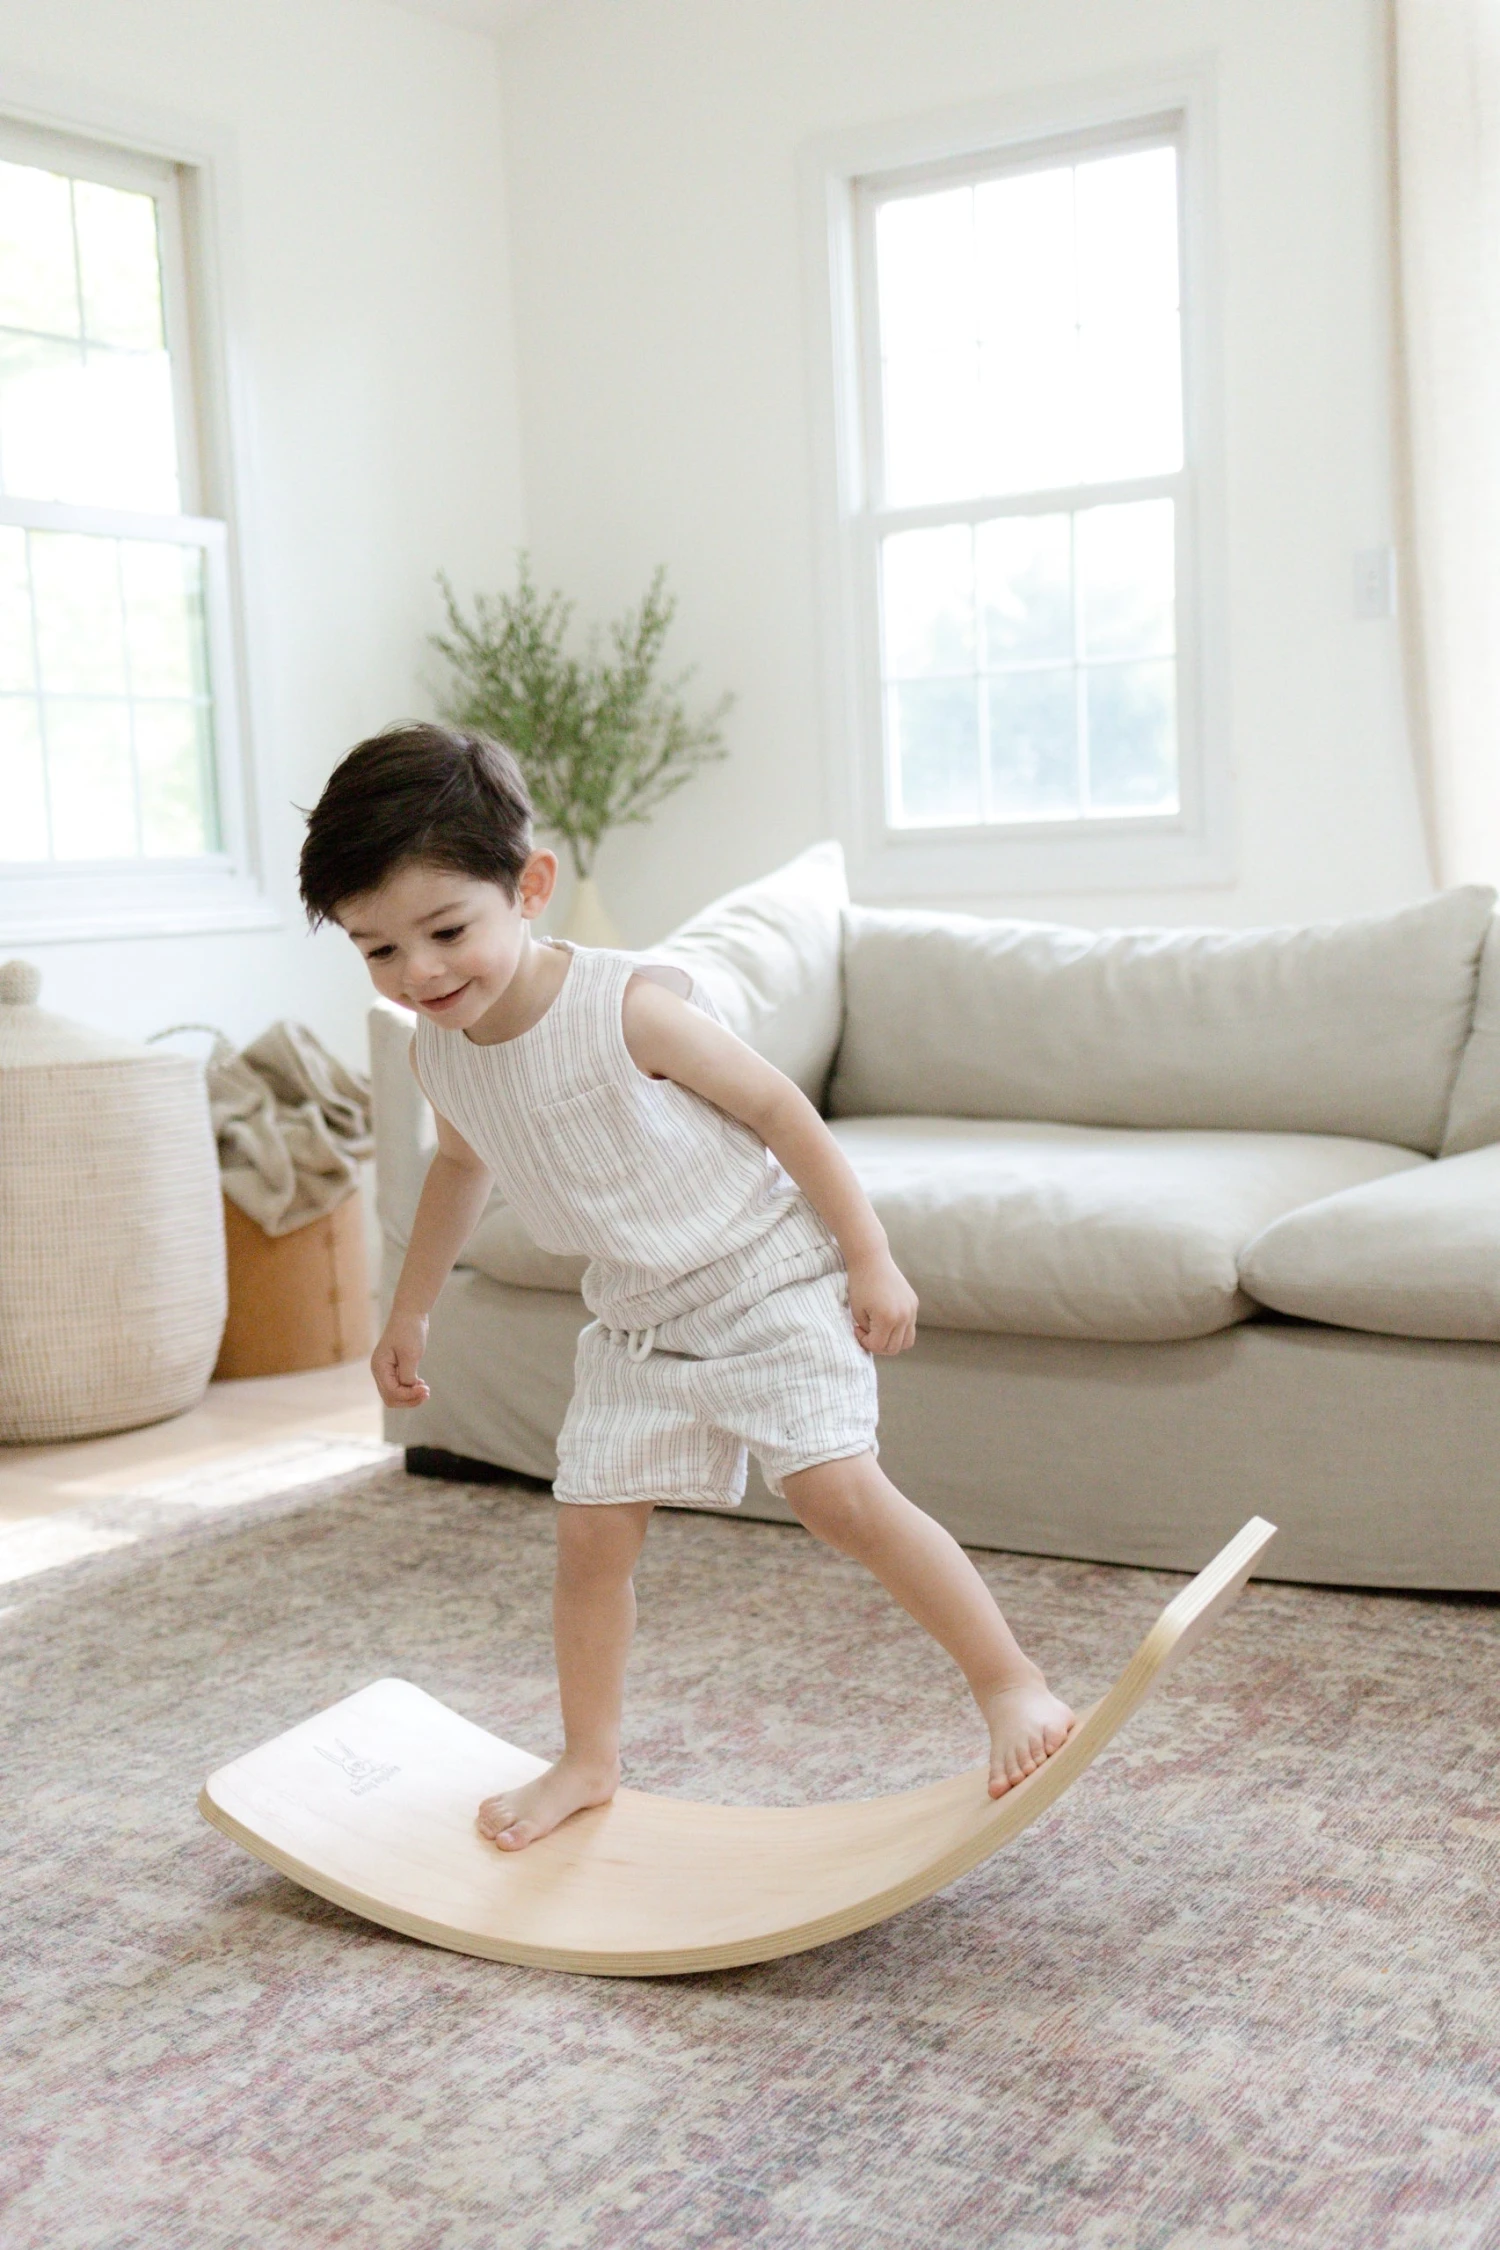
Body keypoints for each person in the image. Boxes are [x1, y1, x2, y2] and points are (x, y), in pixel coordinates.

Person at [300, 722, 1074, 1851]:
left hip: (764, 1276)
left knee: (837, 1496)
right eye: (378, 950)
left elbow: (779, 1114)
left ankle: (1010, 1683)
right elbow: (462, 1167)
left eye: (447, 930)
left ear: (531, 886)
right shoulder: (438, 1050)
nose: (419, 973)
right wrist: (409, 1308)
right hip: (638, 1317)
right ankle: (587, 1760)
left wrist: (870, 1255)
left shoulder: (629, 1010)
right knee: (590, 1537)